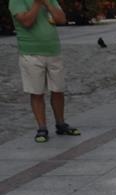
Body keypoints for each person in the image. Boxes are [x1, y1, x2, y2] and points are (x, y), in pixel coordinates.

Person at [9, 0, 80, 143]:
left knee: (58, 90)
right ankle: (42, 128)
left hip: (53, 50)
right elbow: (27, 22)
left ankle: (61, 124)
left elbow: (61, 19)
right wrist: (37, 3)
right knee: (36, 92)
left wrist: (47, 3)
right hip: (31, 52)